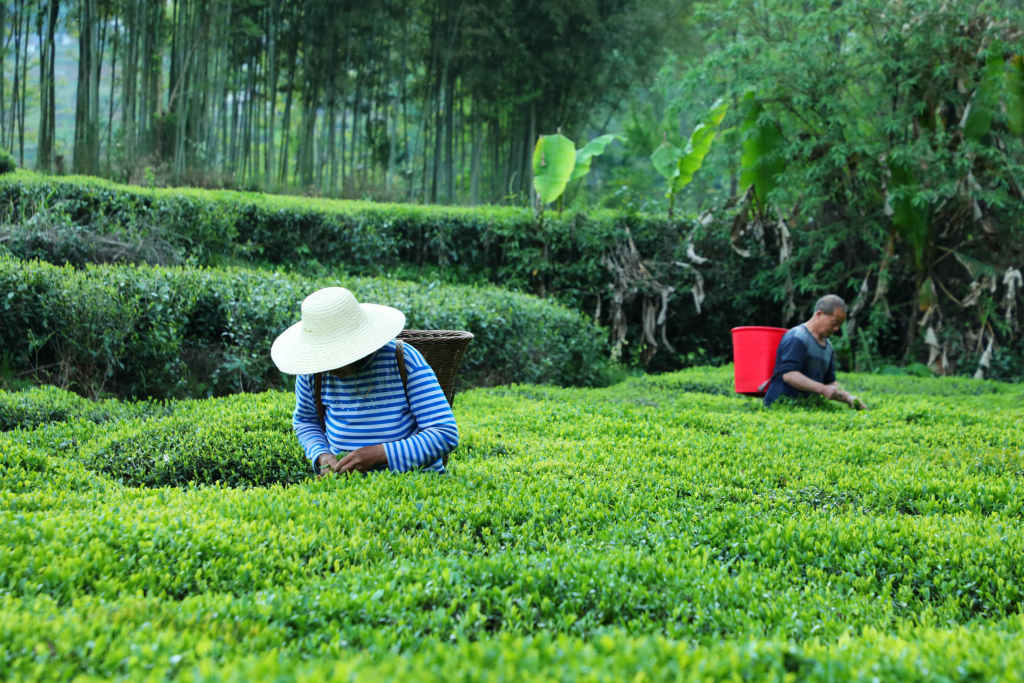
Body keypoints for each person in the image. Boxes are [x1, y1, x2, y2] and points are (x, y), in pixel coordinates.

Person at [271, 286, 458, 474]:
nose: (334, 365)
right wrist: (322, 455)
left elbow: (444, 432)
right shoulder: (312, 373)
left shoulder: (404, 360)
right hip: (348, 487)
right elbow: (306, 421)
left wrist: (379, 454)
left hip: (414, 484)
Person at [762, 294, 867, 409]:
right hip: (781, 405)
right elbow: (789, 375)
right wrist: (822, 389)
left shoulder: (828, 347)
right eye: (834, 322)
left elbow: (830, 382)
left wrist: (848, 398)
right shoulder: (797, 337)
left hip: (809, 406)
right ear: (819, 314)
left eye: (839, 325)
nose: (836, 328)